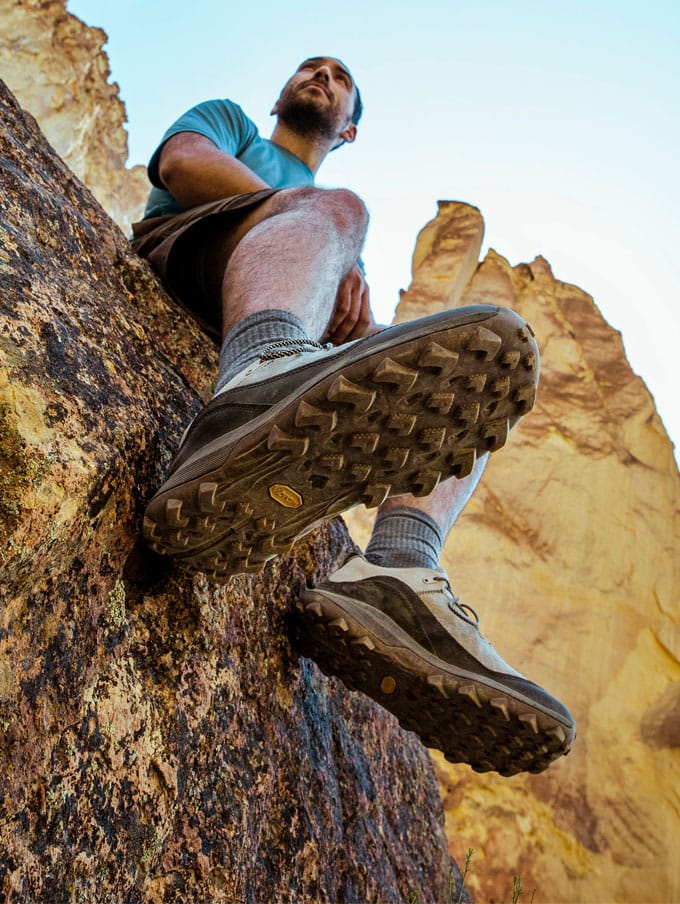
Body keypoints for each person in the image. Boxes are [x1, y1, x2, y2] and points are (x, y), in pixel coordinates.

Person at [133, 56, 575, 776]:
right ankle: (255, 381)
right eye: (310, 69)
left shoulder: (331, 240)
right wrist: (326, 235)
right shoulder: (238, 127)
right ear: (280, 95)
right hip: (185, 254)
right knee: (343, 210)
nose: (320, 76)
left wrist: (339, 280)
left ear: (351, 128)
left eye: (338, 78)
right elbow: (181, 164)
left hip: (284, 288)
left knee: (461, 389)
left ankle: (398, 565)